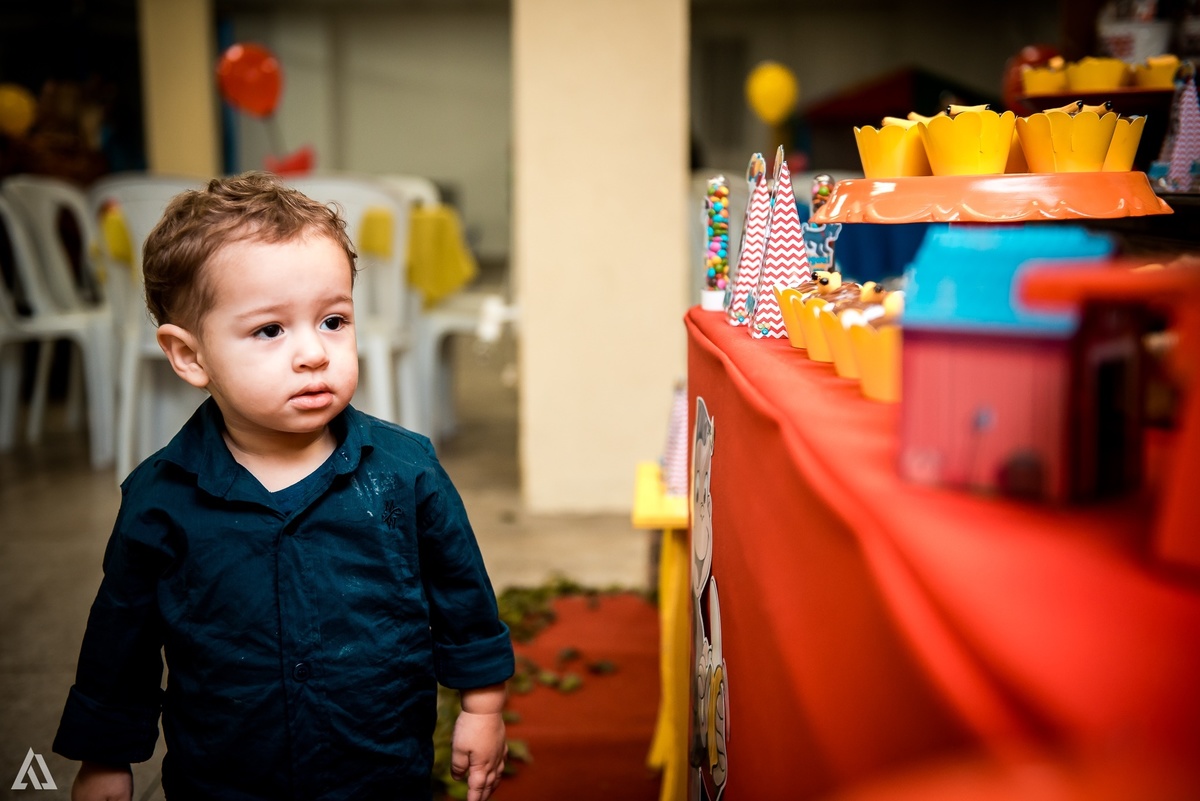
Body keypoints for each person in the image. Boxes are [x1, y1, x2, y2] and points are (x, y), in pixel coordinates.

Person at [52, 171, 515, 801]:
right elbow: (120, 643)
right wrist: (106, 759)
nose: (314, 354)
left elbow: (464, 600)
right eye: (270, 330)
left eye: (333, 320)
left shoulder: (407, 472)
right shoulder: (160, 501)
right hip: (225, 778)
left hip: (379, 770)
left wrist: (482, 709)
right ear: (190, 356)